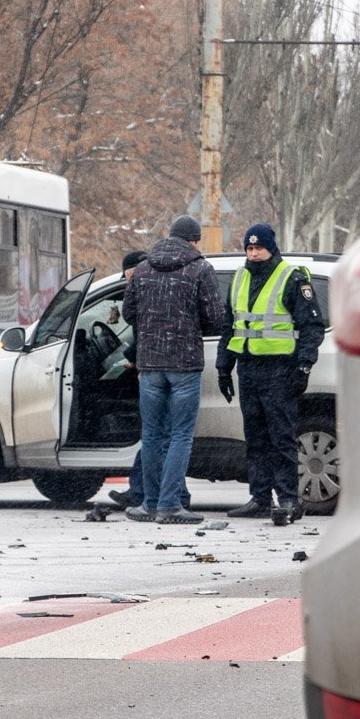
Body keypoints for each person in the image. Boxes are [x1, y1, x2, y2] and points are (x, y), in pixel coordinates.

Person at [216, 223, 324, 526]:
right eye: (249, 249)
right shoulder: (239, 277)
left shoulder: (291, 278)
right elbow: (230, 325)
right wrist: (224, 367)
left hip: (280, 369)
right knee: (256, 437)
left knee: (281, 437)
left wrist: (304, 366)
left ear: (271, 248)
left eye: (258, 248)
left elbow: (311, 328)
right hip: (248, 367)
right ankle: (260, 498)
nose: (253, 253)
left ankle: (288, 498)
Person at [122, 216, 224, 524]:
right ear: (194, 241)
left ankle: (150, 503)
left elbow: (128, 312)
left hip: (150, 364)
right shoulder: (200, 269)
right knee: (180, 435)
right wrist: (188, 326)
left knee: (152, 434)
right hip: (185, 364)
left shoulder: (142, 269)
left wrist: (151, 328)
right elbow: (215, 317)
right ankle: (170, 504)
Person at [107, 249, 190, 511]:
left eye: (126, 273)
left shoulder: (145, 290)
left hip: (160, 370)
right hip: (170, 367)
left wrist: (133, 357)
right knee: (160, 437)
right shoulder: (158, 286)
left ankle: (155, 494)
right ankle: (147, 491)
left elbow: (147, 332)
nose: (126, 278)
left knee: (159, 436)